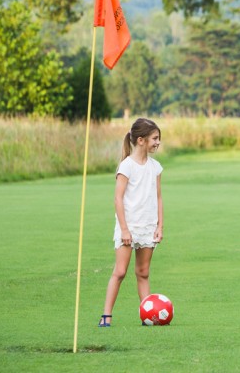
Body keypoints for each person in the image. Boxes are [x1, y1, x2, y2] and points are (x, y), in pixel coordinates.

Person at [100, 118, 164, 327]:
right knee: (120, 272)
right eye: (155, 138)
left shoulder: (155, 167)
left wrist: (159, 226)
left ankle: (149, 315)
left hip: (147, 227)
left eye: (158, 139)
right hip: (129, 227)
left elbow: (158, 197)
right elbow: (118, 198)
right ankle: (106, 316)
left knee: (143, 272)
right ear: (141, 140)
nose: (158, 143)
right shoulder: (126, 166)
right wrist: (125, 230)